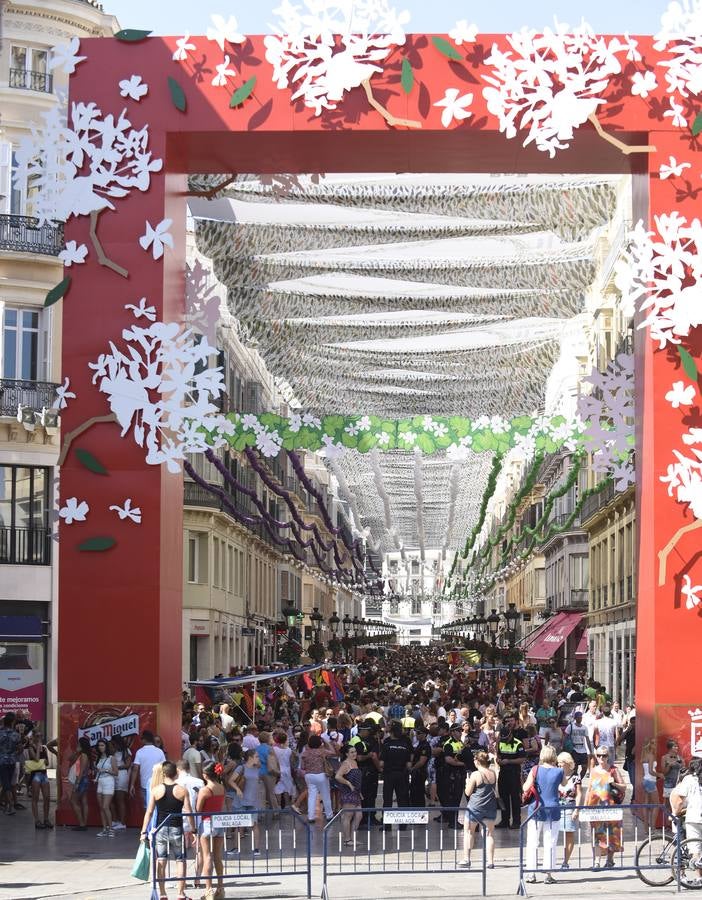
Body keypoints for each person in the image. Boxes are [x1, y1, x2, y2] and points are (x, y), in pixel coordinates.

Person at [141, 761, 193, 900]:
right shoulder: (182, 790)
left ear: (163, 774)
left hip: (161, 829)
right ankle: (180, 893)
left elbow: (149, 812)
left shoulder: (156, 790)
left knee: (161, 860)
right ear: (176, 773)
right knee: (180, 860)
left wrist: (143, 831)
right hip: (177, 828)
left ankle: (162, 893)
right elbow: (189, 811)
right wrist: (193, 829)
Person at [523, 745, 563, 885]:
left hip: (536, 809)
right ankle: (549, 874)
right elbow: (563, 784)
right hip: (553, 810)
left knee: (533, 842)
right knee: (550, 842)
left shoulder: (535, 770)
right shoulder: (559, 771)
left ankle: (531, 873)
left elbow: (525, 788)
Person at [585, 746, 625, 869]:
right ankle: (597, 861)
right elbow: (589, 789)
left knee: (612, 834)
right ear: (596, 757)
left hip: (611, 807)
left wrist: (613, 782)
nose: (602, 758)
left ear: (609, 757)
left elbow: (623, 787)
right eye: (599, 755)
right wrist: (585, 806)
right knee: (597, 834)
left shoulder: (613, 770)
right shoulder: (593, 771)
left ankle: (610, 860)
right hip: (596, 807)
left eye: (604, 755)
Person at [460, 751, 497, 870]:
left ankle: (466, 858)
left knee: (469, 832)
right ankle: (490, 861)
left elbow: (468, 792)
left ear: (477, 761)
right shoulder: (493, 773)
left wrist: (467, 783)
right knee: (489, 834)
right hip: (490, 806)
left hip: (475, 807)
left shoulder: (476, 774)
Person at [197, 761, 227, 900]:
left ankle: (208, 890)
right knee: (218, 856)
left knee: (207, 856)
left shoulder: (204, 790)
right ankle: (220, 888)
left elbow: (198, 809)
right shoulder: (222, 788)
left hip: (207, 822)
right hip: (220, 822)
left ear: (205, 775)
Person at [670, 758, 702, 887]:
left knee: (695, 847)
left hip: (693, 817)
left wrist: (677, 812)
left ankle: (696, 863)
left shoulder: (689, 780)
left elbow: (679, 800)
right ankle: (698, 874)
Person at [379, 721, 412, 829]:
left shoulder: (387, 744)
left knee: (387, 800)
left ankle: (387, 825)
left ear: (391, 731)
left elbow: (381, 763)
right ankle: (403, 825)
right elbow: (408, 764)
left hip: (389, 775)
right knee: (402, 799)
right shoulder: (405, 744)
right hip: (402, 775)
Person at [496, 715, 525, 829]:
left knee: (515, 798)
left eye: (506, 738)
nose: (505, 740)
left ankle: (516, 821)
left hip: (513, 773)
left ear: (510, 735)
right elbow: (498, 753)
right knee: (503, 798)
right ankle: (504, 820)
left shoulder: (518, 743)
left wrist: (509, 761)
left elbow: (522, 759)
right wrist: (498, 760)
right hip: (503, 773)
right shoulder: (501, 742)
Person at [299, 734, 334, 823]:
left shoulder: (305, 753)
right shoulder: (321, 751)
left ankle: (311, 816)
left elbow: (302, 767)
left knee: (312, 796)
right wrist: (326, 742)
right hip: (321, 775)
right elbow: (333, 752)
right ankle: (329, 815)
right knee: (325, 795)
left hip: (309, 776)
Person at [556, 751, 583, 869]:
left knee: (569, 834)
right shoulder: (557, 775)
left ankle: (565, 861)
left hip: (569, 808)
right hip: (556, 808)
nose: (559, 766)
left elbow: (579, 794)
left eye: (561, 763)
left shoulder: (576, 777)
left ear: (567, 763)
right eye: (558, 763)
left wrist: (576, 810)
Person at [334, 744, 363, 845]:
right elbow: (338, 776)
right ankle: (347, 839)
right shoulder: (346, 764)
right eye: (351, 752)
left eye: (355, 751)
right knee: (348, 816)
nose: (354, 753)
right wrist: (348, 783)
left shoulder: (354, 762)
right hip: (348, 793)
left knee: (359, 815)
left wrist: (359, 792)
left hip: (356, 793)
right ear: (346, 754)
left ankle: (352, 837)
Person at [235, 749, 262, 854]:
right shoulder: (241, 768)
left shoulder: (257, 769)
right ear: (250, 757)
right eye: (256, 756)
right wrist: (237, 789)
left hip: (253, 800)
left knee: (254, 824)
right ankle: (236, 847)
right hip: (241, 800)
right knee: (239, 824)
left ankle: (256, 848)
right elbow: (231, 780)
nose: (258, 758)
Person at [25, 728, 54, 829]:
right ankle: (37, 821)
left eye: (41, 736)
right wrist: (38, 748)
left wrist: (44, 760)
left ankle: (46, 819)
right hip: (35, 775)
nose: (39, 738)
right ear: (33, 737)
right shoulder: (31, 748)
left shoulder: (44, 748)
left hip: (43, 774)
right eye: (37, 736)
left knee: (47, 797)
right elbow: (36, 759)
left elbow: (47, 762)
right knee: (35, 798)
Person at [129, 730, 166, 808]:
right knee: (158, 807)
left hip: (144, 784)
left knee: (147, 808)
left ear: (144, 740)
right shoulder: (159, 751)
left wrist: (132, 785)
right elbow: (164, 768)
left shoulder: (140, 752)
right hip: (158, 783)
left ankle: (148, 820)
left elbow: (135, 769)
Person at [94, 739, 118, 837]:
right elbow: (98, 771)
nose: (100, 747)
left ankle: (111, 829)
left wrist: (106, 770)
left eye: (102, 745)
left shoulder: (111, 758)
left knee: (105, 806)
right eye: (99, 745)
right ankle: (104, 829)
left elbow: (116, 772)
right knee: (101, 807)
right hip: (100, 782)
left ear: (106, 746)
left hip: (109, 782)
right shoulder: (98, 758)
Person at [0, 713, 21, 816]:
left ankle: (10, 806)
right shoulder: (16, 734)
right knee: (7, 782)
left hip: (2, 760)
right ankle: (8, 805)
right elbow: (20, 749)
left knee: (5, 783)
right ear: (13, 722)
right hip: (12, 760)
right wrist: (14, 753)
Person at [68, 737, 91, 831]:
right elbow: (70, 759)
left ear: (81, 745)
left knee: (73, 801)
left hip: (81, 780)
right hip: (84, 780)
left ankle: (82, 824)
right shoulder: (82, 755)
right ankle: (84, 823)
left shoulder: (84, 756)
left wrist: (77, 783)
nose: (77, 745)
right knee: (84, 801)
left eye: (78, 744)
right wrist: (77, 752)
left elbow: (81, 771)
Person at [110, 734, 131, 830]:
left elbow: (127, 765)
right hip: (112, 776)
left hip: (121, 775)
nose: (112, 744)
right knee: (110, 799)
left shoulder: (126, 751)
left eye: (114, 743)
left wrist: (115, 768)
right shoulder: (112, 751)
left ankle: (122, 823)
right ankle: (114, 820)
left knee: (120, 799)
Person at [563, 710, 592, 779]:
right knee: (575, 767)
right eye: (578, 717)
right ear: (575, 718)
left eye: (581, 717)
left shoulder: (584, 727)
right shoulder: (570, 726)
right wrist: (564, 747)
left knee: (584, 767)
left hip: (583, 749)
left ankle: (580, 779)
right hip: (574, 748)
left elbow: (587, 739)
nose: (580, 719)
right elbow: (565, 737)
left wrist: (590, 751)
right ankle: (575, 782)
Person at [256, 731, 280, 814]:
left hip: (259, 773)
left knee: (261, 794)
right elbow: (274, 761)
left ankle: (261, 812)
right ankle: (275, 811)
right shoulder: (270, 748)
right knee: (271, 793)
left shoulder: (257, 748)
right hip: (269, 772)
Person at [272, 731, 296, 808]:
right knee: (287, 789)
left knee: (278, 789)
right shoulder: (289, 750)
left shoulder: (274, 749)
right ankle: (287, 806)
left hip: (278, 770)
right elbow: (291, 761)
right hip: (287, 770)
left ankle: (278, 806)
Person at [409, 724, 431, 807]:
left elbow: (422, 761)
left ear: (424, 734)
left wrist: (412, 768)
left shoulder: (425, 746)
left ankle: (420, 811)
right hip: (416, 772)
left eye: (419, 733)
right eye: (416, 733)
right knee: (414, 793)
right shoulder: (420, 744)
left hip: (420, 772)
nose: (416, 735)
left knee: (418, 793)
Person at [641, 738, 660, 828]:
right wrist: (659, 774)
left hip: (645, 780)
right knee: (656, 804)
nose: (655, 745)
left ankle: (645, 828)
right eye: (653, 743)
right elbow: (651, 771)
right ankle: (653, 828)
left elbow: (644, 771)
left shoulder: (644, 756)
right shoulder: (651, 756)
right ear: (650, 745)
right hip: (651, 781)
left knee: (646, 803)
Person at [661, 739, 683, 807]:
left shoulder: (680, 758)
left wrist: (682, 764)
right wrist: (669, 765)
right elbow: (664, 772)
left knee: (677, 802)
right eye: (675, 746)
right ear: (670, 748)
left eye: (677, 746)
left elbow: (684, 770)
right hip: (669, 782)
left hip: (678, 783)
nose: (677, 748)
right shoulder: (664, 758)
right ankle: (666, 817)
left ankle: (674, 817)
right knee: (667, 802)